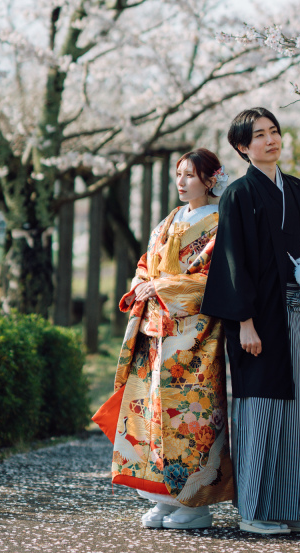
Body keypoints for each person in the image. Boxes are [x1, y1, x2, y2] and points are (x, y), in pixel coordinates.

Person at [202, 107, 300, 536]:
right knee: (262, 405)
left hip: (298, 310)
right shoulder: (239, 195)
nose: (270, 140)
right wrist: (243, 322)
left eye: (274, 132)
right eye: (258, 135)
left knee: (298, 404)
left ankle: (296, 502)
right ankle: (258, 509)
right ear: (243, 148)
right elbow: (232, 263)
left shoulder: (297, 190)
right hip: (258, 317)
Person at [96, 148, 234, 530]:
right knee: (150, 413)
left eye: (190, 175)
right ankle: (161, 497)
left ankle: (194, 503)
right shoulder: (169, 221)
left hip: (193, 338)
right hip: (155, 335)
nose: (182, 182)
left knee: (189, 417)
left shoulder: (220, 222)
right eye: (179, 175)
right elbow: (146, 264)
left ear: (210, 180)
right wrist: (143, 284)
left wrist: (162, 285)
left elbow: (216, 278)